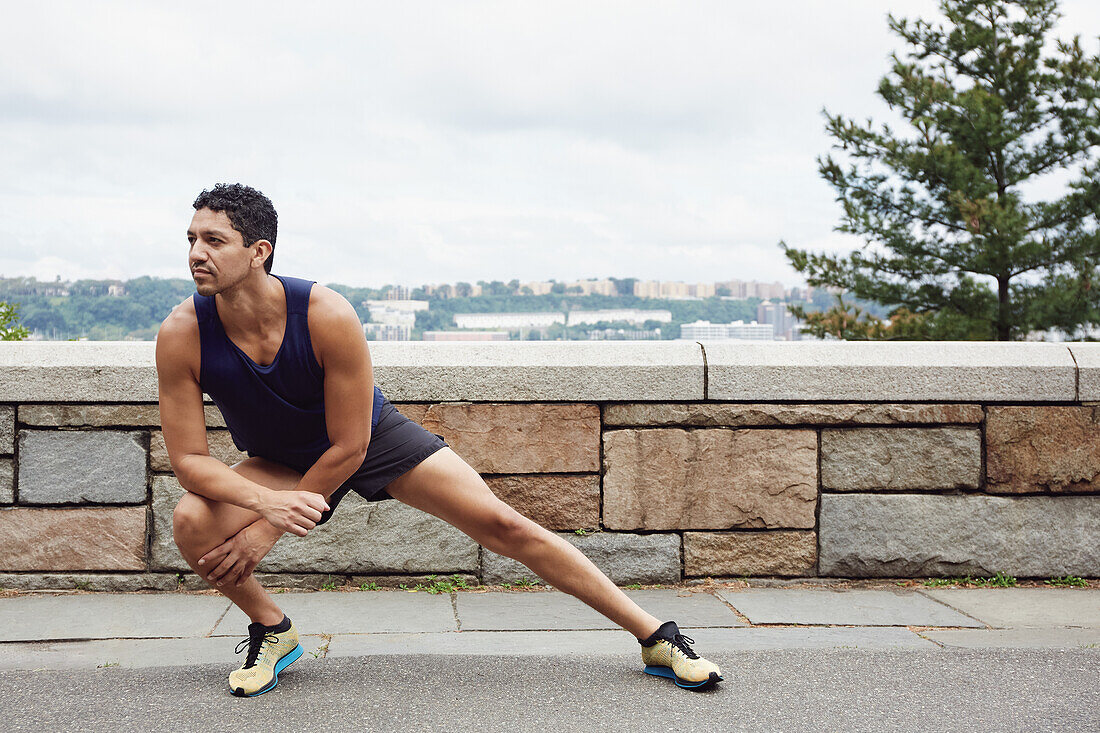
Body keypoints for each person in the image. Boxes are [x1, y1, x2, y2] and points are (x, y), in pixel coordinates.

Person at [156, 182, 723, 697]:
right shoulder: (184, 333)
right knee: (192, 521)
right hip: (279, 459)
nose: (196, 254)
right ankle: (272, 628)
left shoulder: (325, 314)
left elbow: (349, 448)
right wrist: (264, 503)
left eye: (214, 240)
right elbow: (188, 461)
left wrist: (267, 528)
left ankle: (656, 636)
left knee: (504, 526)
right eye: (191, 240)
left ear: (260, 251)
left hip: (371, 439)